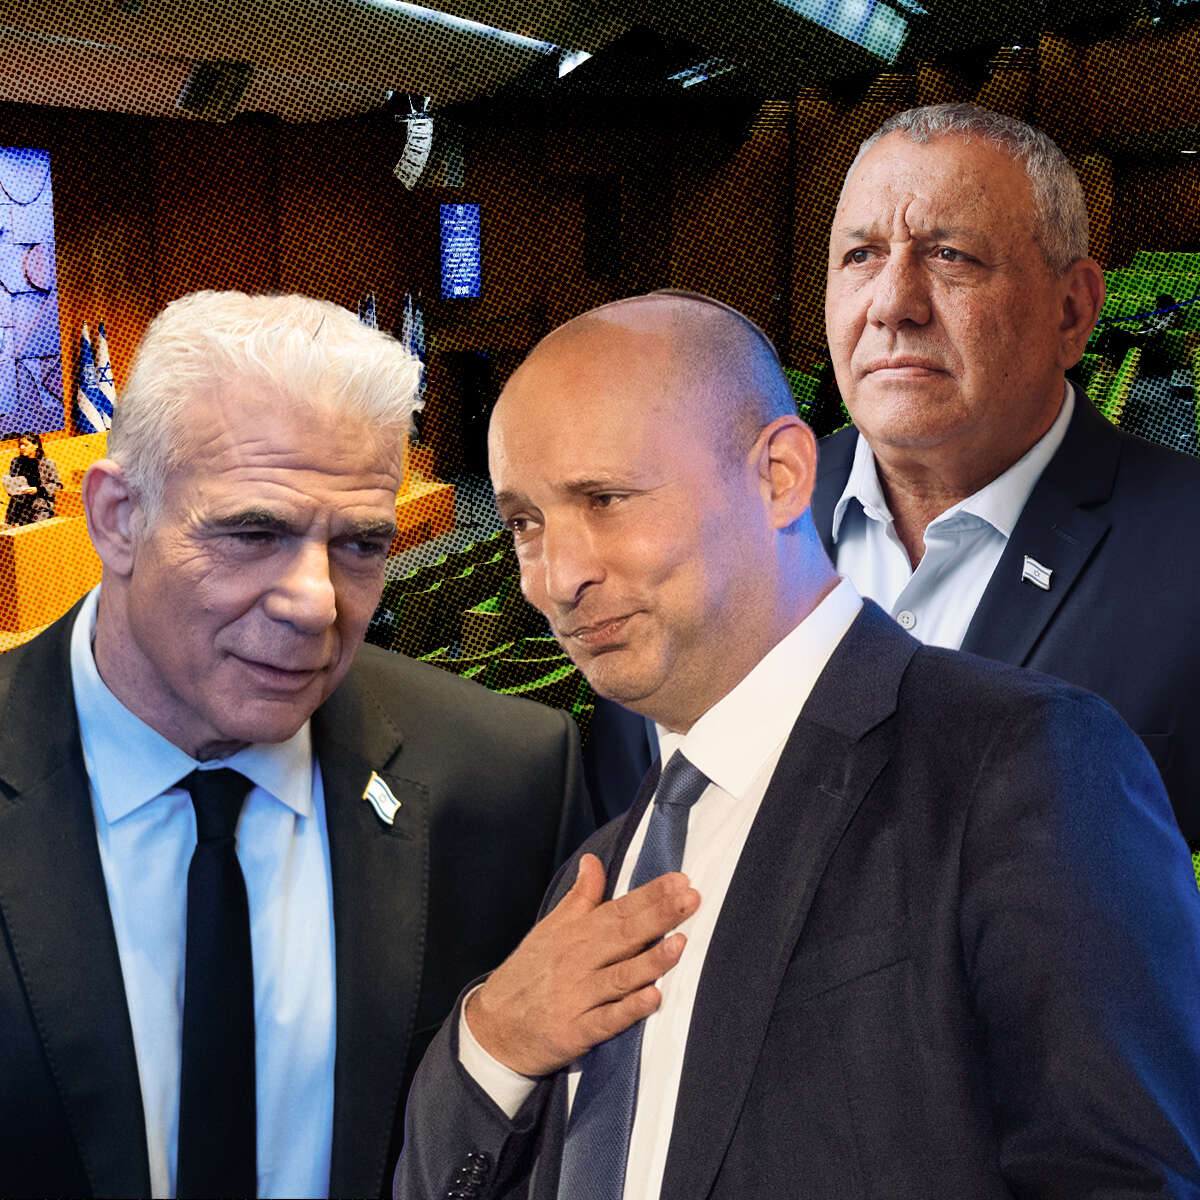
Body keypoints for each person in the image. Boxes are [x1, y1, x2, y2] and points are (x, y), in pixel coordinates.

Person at [393, 291, 1200, 1199]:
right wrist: (491, 1045)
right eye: (524, 523)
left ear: (780, 475)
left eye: (606, 499)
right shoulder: (599, 868)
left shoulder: (1024, 763)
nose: (557, 576)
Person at [0, 291, 593, 1200]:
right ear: (117, 517)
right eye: (254, 532)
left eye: (360, 545)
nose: (316, 602)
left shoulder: (508, 781)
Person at [814, 103, 1200, 845]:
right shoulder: (729, 523)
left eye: (950, 255)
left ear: (1071, 311)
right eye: (861, 255)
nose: (892, 304)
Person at [3, 431, 62, 524]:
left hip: (40, 505)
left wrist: (37, 490)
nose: (22, 448)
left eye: (25, 445)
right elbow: (14, 482)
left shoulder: (47, 463)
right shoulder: (16, 462)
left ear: (36, 445)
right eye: (20, 445)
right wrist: (10, 487)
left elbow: (57, 486)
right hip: (19, 506)